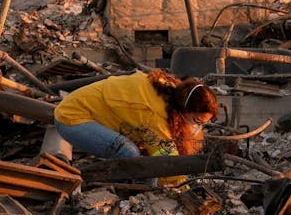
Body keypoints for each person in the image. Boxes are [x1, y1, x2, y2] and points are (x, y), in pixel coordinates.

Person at [53, 69, 218, 161]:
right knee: (129, 153)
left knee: (145, 150)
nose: (198, 127)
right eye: (197, 120)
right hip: (71, 118)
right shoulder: (153, 114)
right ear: (185, 109)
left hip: (88, 109)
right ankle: (128, 197)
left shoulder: (174, 91)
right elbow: (166, 161)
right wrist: (182, 187)